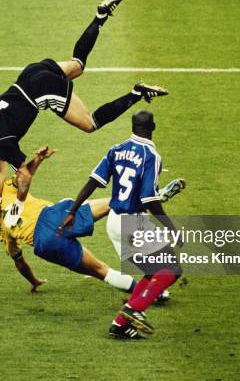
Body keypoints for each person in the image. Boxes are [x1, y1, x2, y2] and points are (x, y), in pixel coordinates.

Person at [0, 0, 168, 229]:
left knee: (90, 123)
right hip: (30, 74)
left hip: (40, 91)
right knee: (78, 64)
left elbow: (23, 175)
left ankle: (136, 94)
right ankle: (100, 16)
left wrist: (17, 207)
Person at [60, 110, 185, 339]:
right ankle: (132, 310)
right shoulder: (151, 155)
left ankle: (121, 324)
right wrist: (170, 228)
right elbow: (148, 198)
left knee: (154, 271)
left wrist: (73, 210)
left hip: (114, 221)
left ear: (132, 126)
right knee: (171, 269)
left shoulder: (116, 149)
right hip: (133, 223)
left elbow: (93, 181)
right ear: (153, 127)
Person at [0, 146, 157, 297]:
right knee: (112, 203)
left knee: (102, 271)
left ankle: (151, 294)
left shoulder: (2, 230)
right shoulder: (5, 191)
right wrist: (38, 159)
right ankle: (146, 201)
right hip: (53, 216)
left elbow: (19, 262)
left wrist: (34, 281)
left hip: (45, 243)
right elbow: (24, 176)